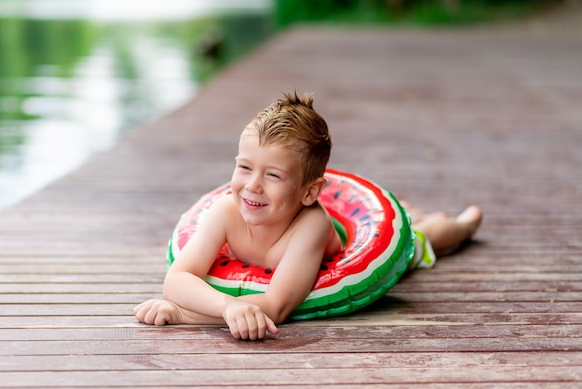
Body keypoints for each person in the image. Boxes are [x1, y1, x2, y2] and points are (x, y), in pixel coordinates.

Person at [134, 92, 482, 340]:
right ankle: (410, 207)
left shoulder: (311, 225)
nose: (252, 186)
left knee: (421, 239)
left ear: (310, 192)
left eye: (273, 176)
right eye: (244, 167)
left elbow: (277, 305)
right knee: (410, 215)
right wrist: (221, 306)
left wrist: (185, 313)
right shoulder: (226, 210)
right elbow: (177, 279)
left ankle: (460, 224)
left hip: (354, 251)